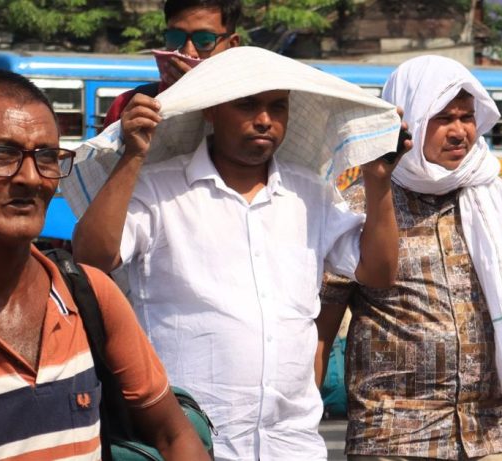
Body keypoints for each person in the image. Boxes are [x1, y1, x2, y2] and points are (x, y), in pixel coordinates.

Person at [71, 48, 407, 460]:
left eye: (277, 107)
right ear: (210, 110)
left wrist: (378, 181)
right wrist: (133, 157)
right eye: (247, 104)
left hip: (292, 445)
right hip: (189, 444)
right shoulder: (157, 189)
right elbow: (92, 260)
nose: (264, 119)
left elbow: (378, 272)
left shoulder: (310, 194)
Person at [0, 71, 209, 460]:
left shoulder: (88, 296)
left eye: (47, 157)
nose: (31, 178)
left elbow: (175, 435)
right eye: (2, 155)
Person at [319, 55, 502, 461]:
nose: (460, 130)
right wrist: (295, 424)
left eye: (466, 116)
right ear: (410, 122)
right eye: (443, 117)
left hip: (486, 436)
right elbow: (323, 327)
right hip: (394, 438)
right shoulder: (361, 204)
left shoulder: (498, 198)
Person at [101, 0, 241, 129]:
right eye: (175, 37)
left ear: (232, 45)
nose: (188, 52)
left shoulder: (250, 110)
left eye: (204, 41)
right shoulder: (128, 106)